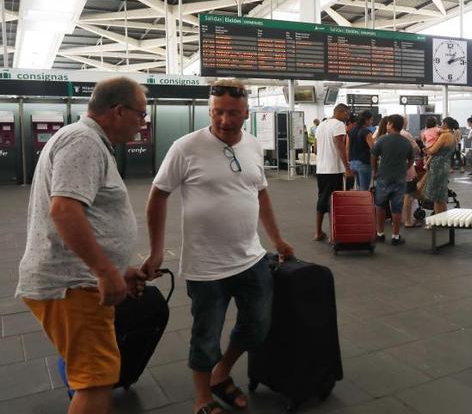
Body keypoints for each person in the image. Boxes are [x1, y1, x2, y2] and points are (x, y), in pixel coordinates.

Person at [147, 81, 294, 414]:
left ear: (246, 113)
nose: (225, 120)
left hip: (251, 259)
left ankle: (221, 373)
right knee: (205, 335)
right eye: (217, 112)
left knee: (257, 326)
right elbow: (158, 195)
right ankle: (203, 398)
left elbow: (261, 194)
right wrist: (157, 251)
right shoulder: (185, 147)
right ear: (209, 110)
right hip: (205, 266)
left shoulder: (254, 146)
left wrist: (277, 239)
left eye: (233, 113)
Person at [15, 77, 148, 414]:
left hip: (76, 281)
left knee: (90, 374)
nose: (142, 124)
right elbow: (64, 210)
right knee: (95, 381)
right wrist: (104, 270)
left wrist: (118, 269)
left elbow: (85, 215)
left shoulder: (87, 141)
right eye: (140, 115)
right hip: (72, 286)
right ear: (118, 111)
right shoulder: (83, 142)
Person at [371, 114, 414, 245]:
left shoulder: (383, 140)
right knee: (396, 207)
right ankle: (395, 236)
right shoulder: (406, 141)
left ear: (391, 125)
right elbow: (411, 159)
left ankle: (380, 233)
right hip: (400, 179)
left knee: (380, 205)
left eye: (388, 124)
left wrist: (375, 171)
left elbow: (373, 155)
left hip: (383, 176)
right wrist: (404, 169)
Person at [313, 104, 352, 241]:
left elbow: (316, 149)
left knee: (322, 199)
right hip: (333, 170)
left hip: (321, 169)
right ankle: (333, 235)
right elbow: (340, 145)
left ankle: (318, 232)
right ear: (340, 112)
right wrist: (347, 168)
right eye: (347, 113)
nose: (347, 117)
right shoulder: (338, 125)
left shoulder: (321, 125)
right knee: (334, 201)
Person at [422, 117, 458, 213]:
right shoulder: (452, 135)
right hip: (445, 165)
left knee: (436, 196)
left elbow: (433, 150)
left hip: (438, 166)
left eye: (442, 123)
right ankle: (443, 218)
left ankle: (438, 220)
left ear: (445, 124)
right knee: (441, 194)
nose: (441, 125)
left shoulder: (445, 136)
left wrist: (425, 149)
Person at [400, 117, 422, 228]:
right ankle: (408, 220)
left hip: (393, 170)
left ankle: (397, 219)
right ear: (404, 123)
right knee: (408, 195)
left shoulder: (386, 135)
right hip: (406, 168)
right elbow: (417, 149)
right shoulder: (406, 134)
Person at [347, 110, 374, 191]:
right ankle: (363, 204)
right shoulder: (366, 132)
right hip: (364, 163)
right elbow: (373, 148)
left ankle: (357, 203)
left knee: (358, 188)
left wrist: (348, 161)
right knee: (364, 190)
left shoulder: (351, 131)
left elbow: (347, 147)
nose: (372, 122)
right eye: (371, 119)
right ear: (366, 120)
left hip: (352, 163)